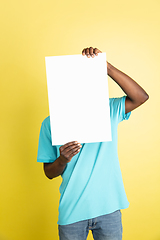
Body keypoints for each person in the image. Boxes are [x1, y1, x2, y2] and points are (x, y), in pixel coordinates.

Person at [37, 47, 149, 240]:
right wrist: (63, 160)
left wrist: (108, 68)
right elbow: (48, 173)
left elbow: (141, 97)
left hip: (109, 208)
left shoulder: (108, 109)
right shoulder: (50, 123)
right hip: (72, 211)